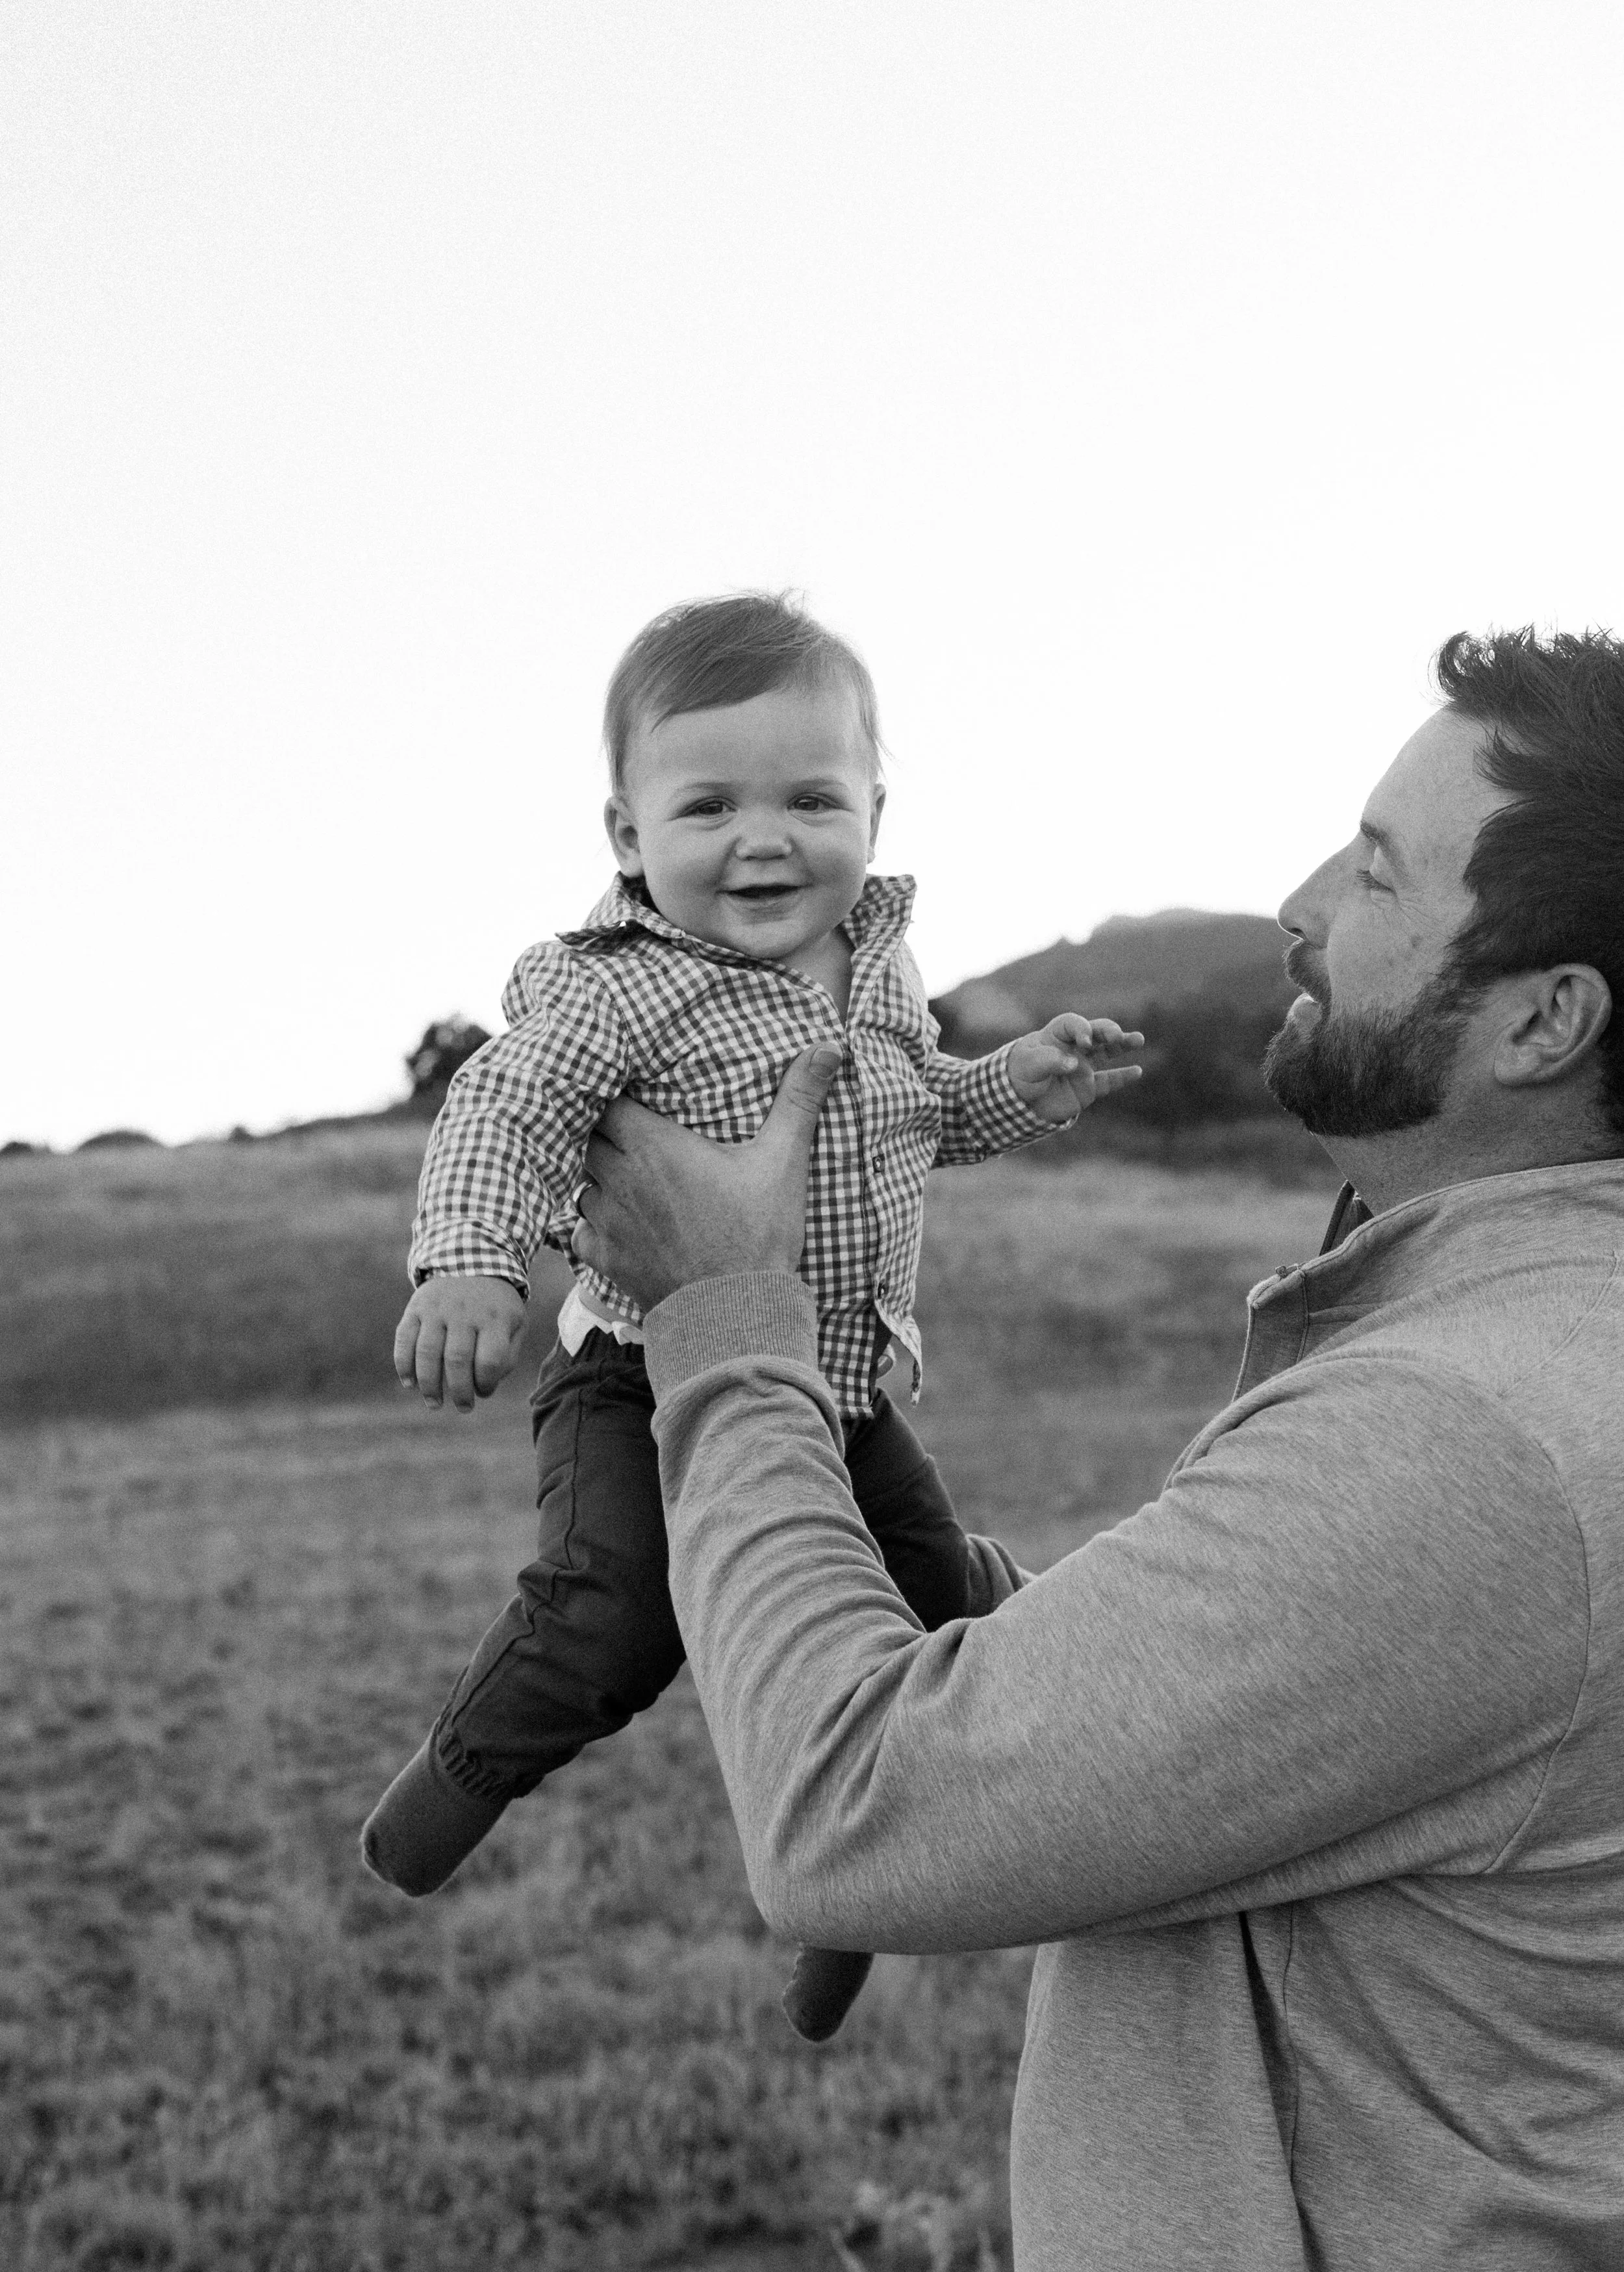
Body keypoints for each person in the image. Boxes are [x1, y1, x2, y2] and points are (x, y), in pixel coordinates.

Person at [569, 626, 1624, 2267]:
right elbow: (1366, 1709)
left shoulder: (1473, 1429)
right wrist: (1021, 1642)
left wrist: (721, 1313)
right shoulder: (1556, 1363)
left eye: (1370, 870)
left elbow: (852, 1804)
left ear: (1543, 1019)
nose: (1293, 905)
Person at [362, 591, 1143, 2042]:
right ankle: (439, 1794)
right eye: (707, 803)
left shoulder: (885, 972)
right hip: (636, 1376)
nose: (761, 837)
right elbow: (504, 1104)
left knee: (936, 1632)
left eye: (807, 797)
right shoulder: (621, 989)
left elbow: (919, 1123)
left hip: (839, 1393)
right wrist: (468, 1259)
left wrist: (1012, 1088)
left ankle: (854, 1892)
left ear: (873, 808)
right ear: (625, 836)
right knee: (619, 1617)